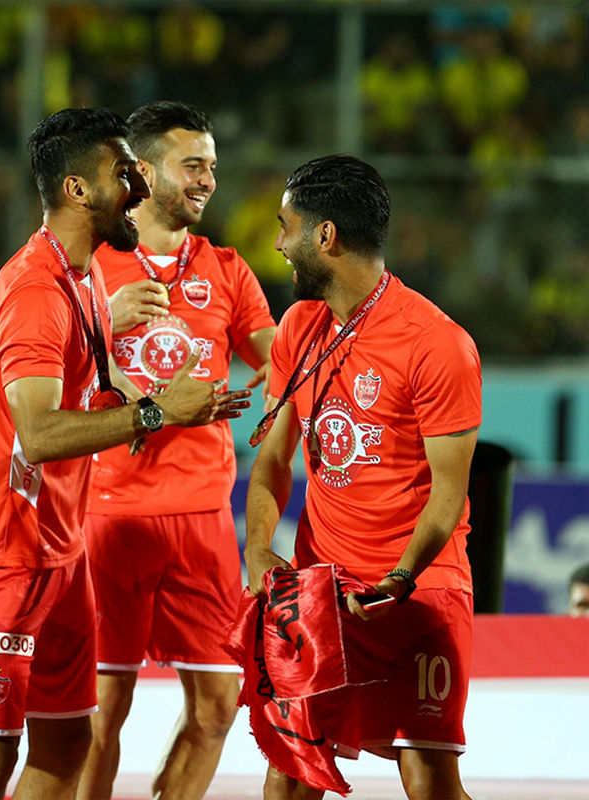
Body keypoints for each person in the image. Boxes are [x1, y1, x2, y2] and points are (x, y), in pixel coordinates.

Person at [0, 107, 251, 800]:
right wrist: (161, 412)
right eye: (123, 173)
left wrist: (150, 399)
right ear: (77, 191)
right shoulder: (37, 292)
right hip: (4, 554)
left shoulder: (80, 281)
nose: (138, 187)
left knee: (71, 736)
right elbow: (39, 435)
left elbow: (98, 396)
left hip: (61, 552)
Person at [244, 154, 481, 799]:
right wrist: (258, 547)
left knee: (430, 781)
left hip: (416, 593)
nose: (278, 244)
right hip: (319, 597)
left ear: (325, 237)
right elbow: (270, 457)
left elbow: (448, 494)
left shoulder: (438, 344)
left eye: (286, 227)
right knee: (290, 775)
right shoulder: (298, 327)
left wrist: (399, 578)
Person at [77, 101, 276, 800]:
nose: (208, 181)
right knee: (101, 715)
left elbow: (277, 361)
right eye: (194, 165)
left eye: (214, 168)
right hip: (108, 515)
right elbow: (34, 368)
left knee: (220, 706)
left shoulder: (225, 267)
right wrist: (101, 324)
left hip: (200, 519)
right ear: (144, 171)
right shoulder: (86, 263)